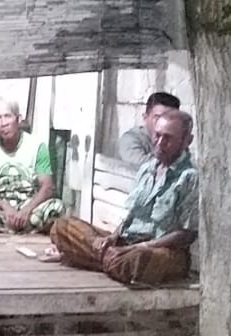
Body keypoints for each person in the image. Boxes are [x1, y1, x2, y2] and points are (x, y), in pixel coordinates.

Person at [47, 110, 198, 286]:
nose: (159, 143)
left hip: (161, 251)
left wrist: (144, 246)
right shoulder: (148, 169)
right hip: (126, 242)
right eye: (157, 135)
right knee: (62, 226)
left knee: (137, 260)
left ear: (187, 140)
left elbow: (186, 234)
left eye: (168, 138)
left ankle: (91, 258)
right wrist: (112, 237)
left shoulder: (190, 177)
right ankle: (109, 260)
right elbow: (131, 215)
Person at [0, 98, 64, 233]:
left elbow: (47, 187)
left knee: (56, 206)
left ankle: (10, 227)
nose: (3, 123)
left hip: (30, 206)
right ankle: (23, 228)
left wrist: (26, 210)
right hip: (2, 208)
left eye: (8, 116)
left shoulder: (37, 146)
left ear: (18, 119)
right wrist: (5, 207)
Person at [118, 91, 181, 168]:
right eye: (158, 118)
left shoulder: (176, 141)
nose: (163, 123)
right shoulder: (130, 139)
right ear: (145, 117)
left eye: (169, 119)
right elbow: (140, 165)